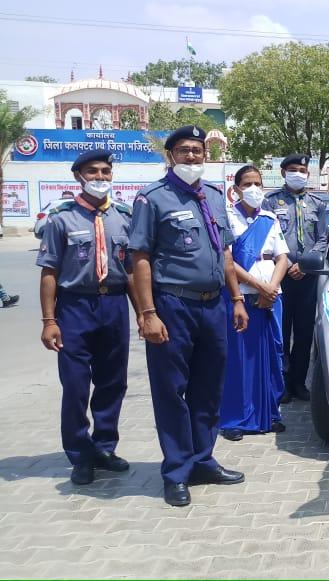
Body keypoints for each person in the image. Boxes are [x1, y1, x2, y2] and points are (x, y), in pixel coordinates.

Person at [128, 125, 249, 507]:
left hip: (214, 305)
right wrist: (148, 313)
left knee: (208, 388)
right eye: (184, 151)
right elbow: (140, 258)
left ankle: (202, 459)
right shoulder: (152, 199)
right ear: (171, 156)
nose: (192, 157)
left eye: (198, 151)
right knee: (171, 391)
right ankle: (176, 471)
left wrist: (236, 299)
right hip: (173, 306)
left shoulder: (213, 197)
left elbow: (225, 255)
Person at [36, 150, 138, 485]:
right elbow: (50, 270)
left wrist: (143, 314)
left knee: (113, 382)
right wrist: (49, 320)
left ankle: (104, 447)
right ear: (79, 176)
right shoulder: (61, 218)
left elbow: (133, 270)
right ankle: (80, 455)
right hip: (75, 307)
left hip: (114, 306)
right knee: (77, 386)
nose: (100, 177)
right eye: (92, 171)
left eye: (105, 171)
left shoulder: (124, 216)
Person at [220, 165, 290, 441]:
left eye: (258, 183)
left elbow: (282, 257)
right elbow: (227, 261)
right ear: (235, 189)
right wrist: (259, 286)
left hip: (271, 297)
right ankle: (236, 419)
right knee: (239, 359)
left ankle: (269, 414)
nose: (254, 189)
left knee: (272, 355)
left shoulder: (269, 218)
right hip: (241, 296)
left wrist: (271, 288)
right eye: (247, 184)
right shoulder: (226, 218)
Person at [262, 155, 327, 403]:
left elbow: (322, 239)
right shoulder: (270, 202)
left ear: (308, 174)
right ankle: (282, 383)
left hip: (307, 276)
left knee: (303, 333)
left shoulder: (317, 204)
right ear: (283, 172)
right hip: (279, 276)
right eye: (293, 170)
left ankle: (299, 382)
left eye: (302, 170)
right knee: (280, 330)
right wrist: (288, 265)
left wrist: (304, 264)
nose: (298, 173)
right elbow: (269, 236)